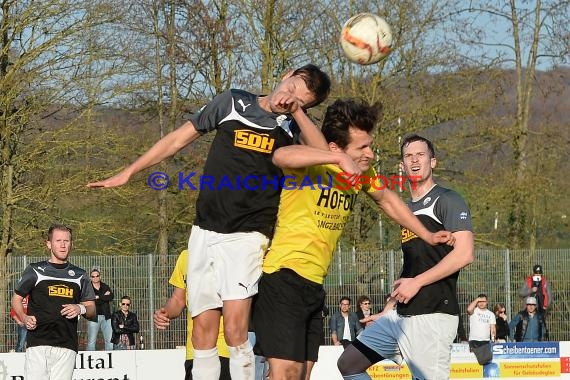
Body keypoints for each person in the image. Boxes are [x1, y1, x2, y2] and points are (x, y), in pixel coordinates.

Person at [87, 64, 331, 380]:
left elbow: (324, 154)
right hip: (204, 231)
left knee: (234, 328)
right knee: (202, 329)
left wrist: (297, 112)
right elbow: (176, 140)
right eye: (295, 85)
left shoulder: (293, 129)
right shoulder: (231, 101)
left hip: (247, 236)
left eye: (304, 98)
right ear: (286, 74)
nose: (293, 95)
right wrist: (130, 171)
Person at [252, 101, 454, 380]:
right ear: (336, 148)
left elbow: (387, 200)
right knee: (284, 374)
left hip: (313, 285)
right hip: (284, 278)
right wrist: (333, 158)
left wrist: (428, 234)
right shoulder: (313, 165)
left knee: (301, 375)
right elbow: (281, 156)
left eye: (370, 145)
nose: (371, 153)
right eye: (362, 147)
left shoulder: (361, 175)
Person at [337, 134, 475, 380]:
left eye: (421, 155)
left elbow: (464, 254)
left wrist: (418, 282)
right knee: (349, 363)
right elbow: (413, 266)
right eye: (408, 156)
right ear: (401, 165)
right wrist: (389, 307)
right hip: (400, 316)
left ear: (433, 162)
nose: (414, 160)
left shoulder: (448, 200)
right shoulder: (406, 210)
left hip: (433, 316)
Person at [11, 223, 96, 380]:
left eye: (66, 241)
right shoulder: (35, 270)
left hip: (67, 346)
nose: (63, 245)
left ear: (72, 244)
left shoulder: (80, 275)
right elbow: (16, 299)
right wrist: (24, 317)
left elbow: (91, 309)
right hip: (38, 344)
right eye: (58, 241)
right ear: (49, 244)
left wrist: (80, 308)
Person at [153, 250, 231, 380]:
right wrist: (165, 312)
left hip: (225, 350)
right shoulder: (187, 256)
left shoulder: (230, 252)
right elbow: (178, 299)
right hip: (194, 353)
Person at [86, 268, 114, 351]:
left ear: (100, 277)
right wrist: (103, 297)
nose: (95, 278)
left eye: (97, 276)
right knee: (91, 342)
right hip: (93, 317)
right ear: (90, 278)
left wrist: (98, 297)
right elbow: (90, 300)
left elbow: (111, 297)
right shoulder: (88, 288)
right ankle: (89, 362)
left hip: (107, 317)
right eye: (93, 276)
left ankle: (110, 361)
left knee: (109, 341)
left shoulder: (105, 286)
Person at [467, 294, 496, 363]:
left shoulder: (491, 314)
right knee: (474, 361)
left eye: (483, 301)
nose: (482, 303)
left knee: (486, 360)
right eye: (480, 301)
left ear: (487, 302)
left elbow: (493, 328)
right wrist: (477, 299)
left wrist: (493, 339)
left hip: (485, 341)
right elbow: (469, 309)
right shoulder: (474, 311)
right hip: (474, 341)